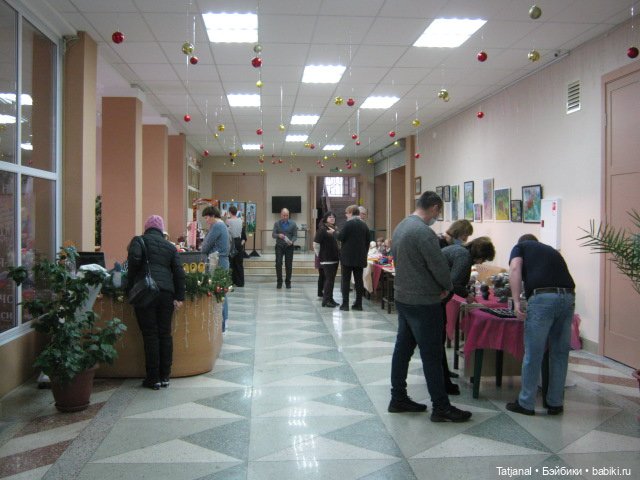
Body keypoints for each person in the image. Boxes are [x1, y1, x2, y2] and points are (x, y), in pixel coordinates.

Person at [388, 191, 472, 423]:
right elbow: (439, 266)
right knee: (432, 354)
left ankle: (398, 397)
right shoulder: (423, 232)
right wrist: (448, 287)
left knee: (403, 349)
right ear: (434, 207)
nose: (438, 215)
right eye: (439, 211)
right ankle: (441, 406)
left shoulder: (402, 226)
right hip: (424, 300)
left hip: (403, 296)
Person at [506, 234, 576, 416]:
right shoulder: (551, 251)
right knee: (559, 354)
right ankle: (555, 403)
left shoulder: (521, 247)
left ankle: (526, 403)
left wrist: (516, 302)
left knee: (533, 353)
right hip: (568, 296)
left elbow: (515, 269)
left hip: (543, 298)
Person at [126, 215, 185, 390]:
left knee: (150, 334)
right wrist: (179, 297)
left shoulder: (139, 241)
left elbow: (132, 265)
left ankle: (153, 378)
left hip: (146, 293)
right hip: (166, 293)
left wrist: (129, 289)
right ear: (161, 230)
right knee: (165, 334)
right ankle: (165, 375)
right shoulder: (170, 247)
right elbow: (179, 273)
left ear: (146, 228)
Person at [441, 236, 496, 394]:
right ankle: (442, 380)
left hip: (436, 295)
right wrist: (467, 295)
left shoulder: (459, 251)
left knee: (439, 337)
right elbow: (454, 283)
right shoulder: (464, 257)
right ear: (480, 255)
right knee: (438, 338)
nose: (481, 263)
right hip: (435, 297)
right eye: (483, 259)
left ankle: (444, 372)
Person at [201, 206, 230, 332]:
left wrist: (208, 232)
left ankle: (221, 324)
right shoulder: (221, 225)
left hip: (218, 262)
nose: (206, 220)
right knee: (221, 291)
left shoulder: (217, 226)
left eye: (207, 218)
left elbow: (205, 246)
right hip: (222, 261)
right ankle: (223, 323)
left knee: (219, 292)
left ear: (213, 216)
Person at [336, 205, 370, 311]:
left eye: (347, 213)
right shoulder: (364, 225)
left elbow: (340, 237)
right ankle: (358, 304)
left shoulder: (348, 224)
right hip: (360, 256)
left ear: (351, 213)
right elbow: (368, 241)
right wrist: (364, 253)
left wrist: (334, 233)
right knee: (359, 280)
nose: (346, 215)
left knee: (346, 280)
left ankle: (345, 304)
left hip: (347, 257)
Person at [313, 211, 340, 307]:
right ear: (325, 219)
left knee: (332, 280)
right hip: (326, 258)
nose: (332, 218)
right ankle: (326, 300)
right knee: (328, 280)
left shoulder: (335, 229)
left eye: (333, 217)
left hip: (334, 257)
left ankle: (330, 298)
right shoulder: (322, 229)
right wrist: (320, 255)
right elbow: (316, 244)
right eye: (330, 217)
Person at [272, 207, 297, 289]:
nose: (285, 217)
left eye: (287, 215)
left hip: (289, 247)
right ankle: (279, 282)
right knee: (278, 263)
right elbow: (273, 235)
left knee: (288, 264)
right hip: (279, 246)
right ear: (281, 215)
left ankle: (288, 282)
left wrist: (292, 241)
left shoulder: (293, 224)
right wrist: (278, 235)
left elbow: (295, 236)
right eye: (284, 215)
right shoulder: (277, 223)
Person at [226, 205, 246, 287]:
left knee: (231, 262)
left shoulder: (228, 221)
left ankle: (232, 281)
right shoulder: (240, 220)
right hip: (238, 241)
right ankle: (240, 282)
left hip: (231, 242)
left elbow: (227, 232)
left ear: (230, 212)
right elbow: (242, 233)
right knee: (239, 262)